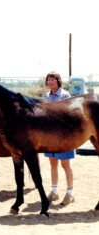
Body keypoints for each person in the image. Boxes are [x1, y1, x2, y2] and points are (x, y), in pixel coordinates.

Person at [44, 71, 75, 206]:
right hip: (50, 136)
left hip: (63, 136)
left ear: (58, 81)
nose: (50, 82)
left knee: (65, 165)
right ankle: (54, 191)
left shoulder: (65, 95)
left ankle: (70, 193)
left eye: (53, 79)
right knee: (53, 164)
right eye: (48, 80)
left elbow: (70, 114)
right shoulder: (47, 96)